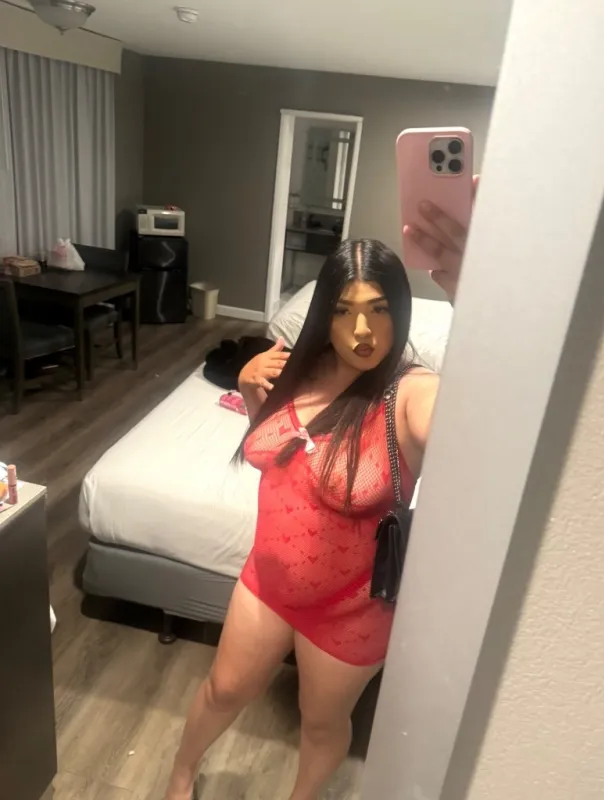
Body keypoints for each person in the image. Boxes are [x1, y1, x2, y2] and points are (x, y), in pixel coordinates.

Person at [164, 188, 476, 800]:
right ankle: (180, 775)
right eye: (343, 311)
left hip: (350, 610)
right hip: (267, 583)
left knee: (322, 724)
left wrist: (476, 297)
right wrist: (250, 387)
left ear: (401, 312)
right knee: (223, 690)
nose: (362, 330)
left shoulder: (411, 392)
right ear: (323, 316)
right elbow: (280, 459)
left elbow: (474, 420)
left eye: (379, 309)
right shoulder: (297, 369)